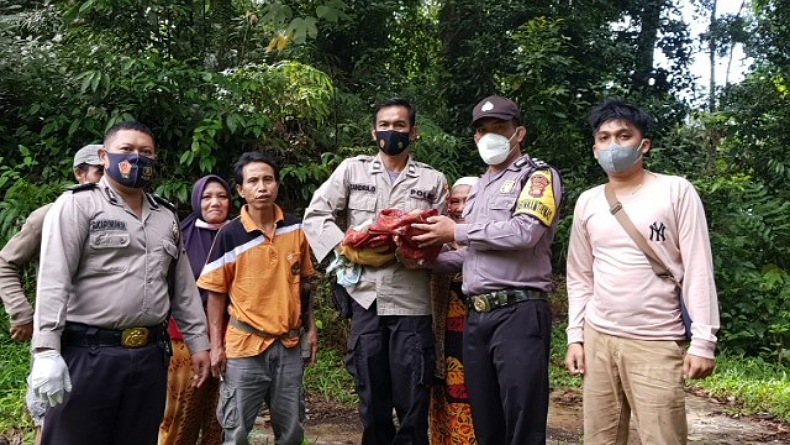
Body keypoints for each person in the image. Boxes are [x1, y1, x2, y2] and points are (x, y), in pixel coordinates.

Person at [30, 121, 212, 445]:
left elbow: (182, 289)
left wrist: (199, 343)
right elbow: (53, 280)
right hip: (89, 355)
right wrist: (46, 351)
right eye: (126, 150)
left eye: (146, 152)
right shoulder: (78, 205)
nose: (137, 158)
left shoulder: (165, 216)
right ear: (104, 155)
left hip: (150, 359)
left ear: (155, 160)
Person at [564, 99, 719, 444]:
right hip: (599, 337)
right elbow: (579, 274)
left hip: (656, 340)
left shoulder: (675, 191)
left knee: (662, 437)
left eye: (623, 135)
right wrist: (576, 336)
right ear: (594, 149)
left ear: (643, 144)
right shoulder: (588, 201)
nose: (613, 144)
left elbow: (698, 268)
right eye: (604, 138)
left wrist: (704, 342)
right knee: (600, 439)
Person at [412, 95, 563, 445]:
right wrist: (424, 259)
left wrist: (456, 231)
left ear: (519, 132)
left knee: (522, 419)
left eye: (500, 128)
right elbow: (473, 256)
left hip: (519, 311)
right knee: (486, 420)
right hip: (477, 316)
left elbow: (525, 231)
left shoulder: (537, 176)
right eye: (482, 130)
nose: (490, 135)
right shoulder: (480, 187)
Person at [302, 97, 448, 445]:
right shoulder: (353, 171)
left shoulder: (432, 180)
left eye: (399, 125)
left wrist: (411, 246)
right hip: (364, 298)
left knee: (413, 396)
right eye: (384, 125)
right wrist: (346, 250)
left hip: (412, 302)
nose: (391, 131)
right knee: (371, 396)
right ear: (374, 132)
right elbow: (316, 216)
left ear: (414, 132)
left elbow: (442, 235)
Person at [197, 152, 317, 445]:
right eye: (253, 181)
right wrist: (216, 345)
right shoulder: (230, 234)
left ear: (276, 184)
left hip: (289, 345)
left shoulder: (296, 228)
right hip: (243, 347)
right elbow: (215, 293)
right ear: (240, 190)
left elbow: (305, 283)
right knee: (236, 431)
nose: (262, 186)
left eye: (268, 179)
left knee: (291, 431)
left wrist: (311, 330)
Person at [0, 144, 104, 444]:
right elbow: (7, 262)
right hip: (61, 335)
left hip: (105, 342)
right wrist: (21, 313)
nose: (104, 179)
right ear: (79, 173)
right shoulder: (50, 214)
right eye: (98, 171)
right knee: (52, 415)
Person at [159, 175, 232, 445]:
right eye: (207, 197)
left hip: (232, 338)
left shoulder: (239, 233)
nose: (215, 202)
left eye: (222, 196)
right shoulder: (182, 236)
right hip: (186, 339)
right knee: (181, 410)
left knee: (220, 414)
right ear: (196, 200)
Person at [428, 176, 478, 445]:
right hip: (444, 343)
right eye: (454, 202)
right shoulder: (439, 246)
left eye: (466, 200)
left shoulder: (490, 246)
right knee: (445, 400)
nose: (459, 208)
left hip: (477, 342)